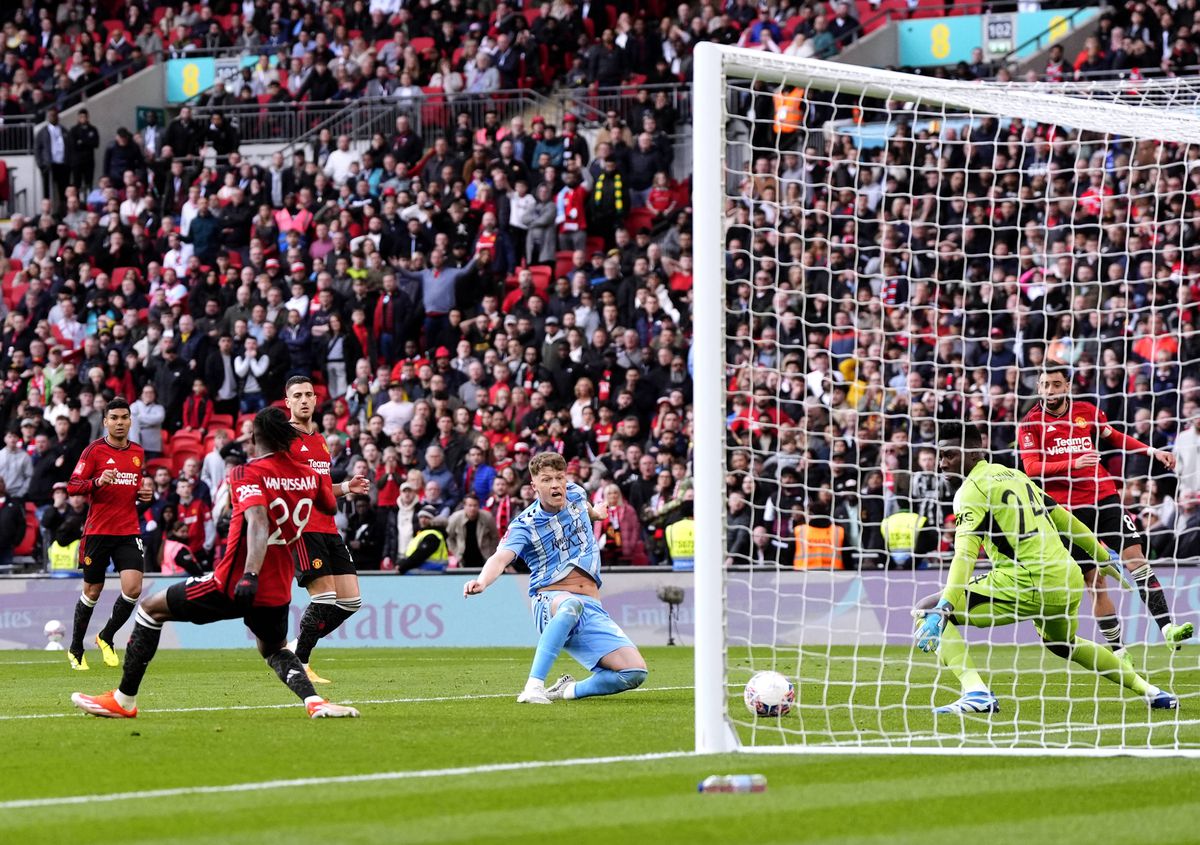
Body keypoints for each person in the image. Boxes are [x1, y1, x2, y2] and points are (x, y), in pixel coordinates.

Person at [71, 408, 358, 720]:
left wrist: (249, 574)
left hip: (234, 581)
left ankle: (124, 700)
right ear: (288, 437)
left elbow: (257, 522)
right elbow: (328, 503)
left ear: (253, 439)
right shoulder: (309, 475)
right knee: (275, 649)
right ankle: (314, 701)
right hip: (277, 589)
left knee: (150, 609)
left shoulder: (245, 473)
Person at [913, 424, 1176, 714]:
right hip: (1067, 580)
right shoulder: (1016, 476)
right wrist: (1103, 557)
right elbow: (1065, 519)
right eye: (940, 456)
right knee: (1064, 644)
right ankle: (1152, 692)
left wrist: (945, 606)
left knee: (928, 608)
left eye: (949, 455)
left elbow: (965, 555)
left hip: (1027, 582)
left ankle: (976, 693)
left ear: (974, 454)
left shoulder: (971, 490)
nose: (942, 463)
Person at [1019, 366, 1192, 658]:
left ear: (1068, 386)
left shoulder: (1086, 411)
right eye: (1045, 385)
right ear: (1039, 387)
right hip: (1068, 511)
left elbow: (1115, 437)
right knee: (1094, 580)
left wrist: (1152, 451)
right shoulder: (1030, 423)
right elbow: (1031, 469)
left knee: (1136, 558)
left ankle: (1167, 628)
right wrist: (1073, 464)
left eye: (1056, 384)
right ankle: (1118, 649)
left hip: (1104, 497)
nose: (1050, 390)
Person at [464, 452, 648, 704]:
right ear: (534, 486)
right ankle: (533, 686)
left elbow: (586, 511)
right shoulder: (524, 525)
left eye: (559, 477)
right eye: (547, 479)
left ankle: (568, 690)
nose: (555, 484)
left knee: (634, 673)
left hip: (591, 606)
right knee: (572, 605)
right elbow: (500, 557)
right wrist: (482, 581)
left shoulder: (576, 493)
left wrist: (598, 515)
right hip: (549, 600)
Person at [281, 376, 370, 684]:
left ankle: (296, 649)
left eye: (309, 394)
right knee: (325, 598)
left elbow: (320, 487)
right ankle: (299, 663)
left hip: (329, 528)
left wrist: (346, 487)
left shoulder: (319, 440)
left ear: (316, 400)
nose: (304, 400)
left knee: (351, 601)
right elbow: (279, 483)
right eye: (298, 395)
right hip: (303, 529)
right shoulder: (283, 438)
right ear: (288, 401)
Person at [64, 398, 153, 671]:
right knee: (92, 591)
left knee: (133, 589)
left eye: (124, 417)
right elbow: (72, 486)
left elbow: (133, 491)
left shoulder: (137, 452)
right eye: (114, 418)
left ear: (130, 420)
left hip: (128, 529)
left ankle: (106, 636)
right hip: (98, 531)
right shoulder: (94, 452)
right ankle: (76, 648)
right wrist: (96, 482)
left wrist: (145, 497)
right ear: (105, 421)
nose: (119, 422)